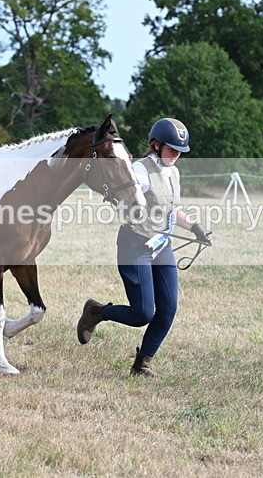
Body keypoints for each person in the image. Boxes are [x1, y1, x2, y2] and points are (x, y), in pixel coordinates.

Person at [76, 117, 210, 377]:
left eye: (180, 151)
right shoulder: (140, 171)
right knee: (142, 314)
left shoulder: (173, 172)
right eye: (172, 149)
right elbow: (129, 196)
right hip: (135, 244)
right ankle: (96, 311)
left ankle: (142, 365)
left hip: (161, 245)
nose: (176, 155)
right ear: (155, 145)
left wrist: (194, 227)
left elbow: (174, 209)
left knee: (168, 309)